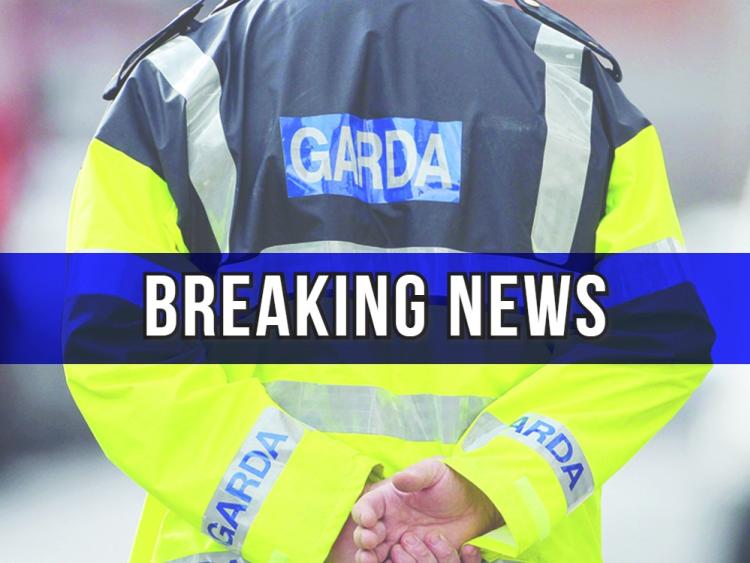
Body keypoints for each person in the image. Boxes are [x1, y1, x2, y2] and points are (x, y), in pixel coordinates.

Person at [64, 0, 713, 562]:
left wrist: (321, 513)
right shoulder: (572, 86)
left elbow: (116, 341)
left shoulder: (177, 87)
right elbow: (660, 329)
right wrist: (486, 488)